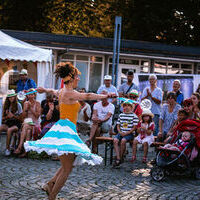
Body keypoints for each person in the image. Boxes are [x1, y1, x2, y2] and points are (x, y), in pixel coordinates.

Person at [24, 62, 116, 200]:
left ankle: (50, 184)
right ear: (71, 78)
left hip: (68, 129)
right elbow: (88, 96)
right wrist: (105, 96)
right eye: (77, 77)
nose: (79, 79)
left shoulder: (62, 91)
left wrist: (44, 90)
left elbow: (53, 91)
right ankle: (52, 196)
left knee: (68, 164)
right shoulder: (69, 93)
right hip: (65, 130)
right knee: (67, 168)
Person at [14, 88, 41, 156]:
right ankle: (25, 151)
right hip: (27, 122)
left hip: (35, 123)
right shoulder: (26, 103)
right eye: (29, 95)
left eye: (31, 95)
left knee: (26, 127)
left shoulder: (37, 103)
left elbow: (37, 116)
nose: (30, 96)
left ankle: (19, 147)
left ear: (34, 95)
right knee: (28, 130)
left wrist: (30, 108)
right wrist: (25, 109)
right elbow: (23, 117)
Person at [113, 101, 139, 167]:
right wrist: (120, 132)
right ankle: (118, 158)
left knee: (123, 141)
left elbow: (134, 127)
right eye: (125, 106)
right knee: (115, 140)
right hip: (121, 132)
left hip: (129, 133)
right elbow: (118, 125)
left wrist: (127, 133)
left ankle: (121, 157)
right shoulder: (121, 115)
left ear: (131, 107)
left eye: (128, 106)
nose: (126, 107)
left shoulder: (134, 116)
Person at [0, 90, 22, 156]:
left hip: (16, 123)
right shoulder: (6, 105)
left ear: (15, 97)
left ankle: (7, 149)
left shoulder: (18, 105)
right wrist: (7, 117)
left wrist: (13, 116)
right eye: (9, 97)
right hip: (8, 122)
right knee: (0, 128)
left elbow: (21, 119)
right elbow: (2, 118)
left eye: (12, 97)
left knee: (9, 130)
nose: (11, 98)